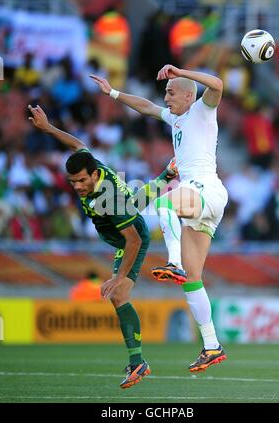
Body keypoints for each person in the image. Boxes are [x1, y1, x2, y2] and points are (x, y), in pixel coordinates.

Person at [90, 63, 228, 372]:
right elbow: (146, 107)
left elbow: (217, 84)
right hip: (202, 199)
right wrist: (112, 92)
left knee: (165, 204)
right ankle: (211, 345)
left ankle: (173, 262)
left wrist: (183, 71)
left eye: (170, 92)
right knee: (193, 281)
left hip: (206, 189)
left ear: (188, 96)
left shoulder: (202, 111)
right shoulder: (176, 120)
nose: (165, 98)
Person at [28, 104, 177, 388]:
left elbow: (133, 239)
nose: (78, 186)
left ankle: (138, 364)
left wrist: (119, 276)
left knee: (119, 295)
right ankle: (165, 177)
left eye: (82, 181)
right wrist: (47, 128)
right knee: (134, 201)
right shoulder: (90, 165)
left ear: (95, 175)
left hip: (128, 238)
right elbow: (79, 144)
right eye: (73, 181)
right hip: (125, 216)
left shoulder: (107, 201)